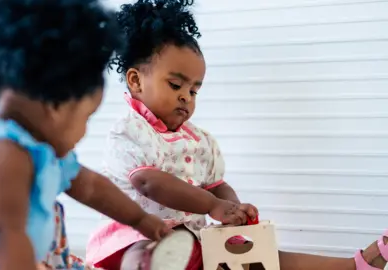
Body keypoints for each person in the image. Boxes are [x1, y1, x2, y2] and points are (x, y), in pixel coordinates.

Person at [85, 0, 388, 270]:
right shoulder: (129, 131)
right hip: (137, 234)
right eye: (176, 86)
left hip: (192, 238)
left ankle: (352, 264)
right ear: (136, 82)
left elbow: (218, 186)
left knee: (256, 253)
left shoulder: (200, 141)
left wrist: (233, 210)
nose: (186, 97)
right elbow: (149, 182)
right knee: (146, 253)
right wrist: (212, 206)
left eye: (194, 90)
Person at [0, 0, 198, 269]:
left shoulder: (40, 148)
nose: (84, 131)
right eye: (86, 118)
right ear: (55, 107)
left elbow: (92, 188)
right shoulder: (5, 153)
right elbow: (6, 234)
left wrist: (141, 220)